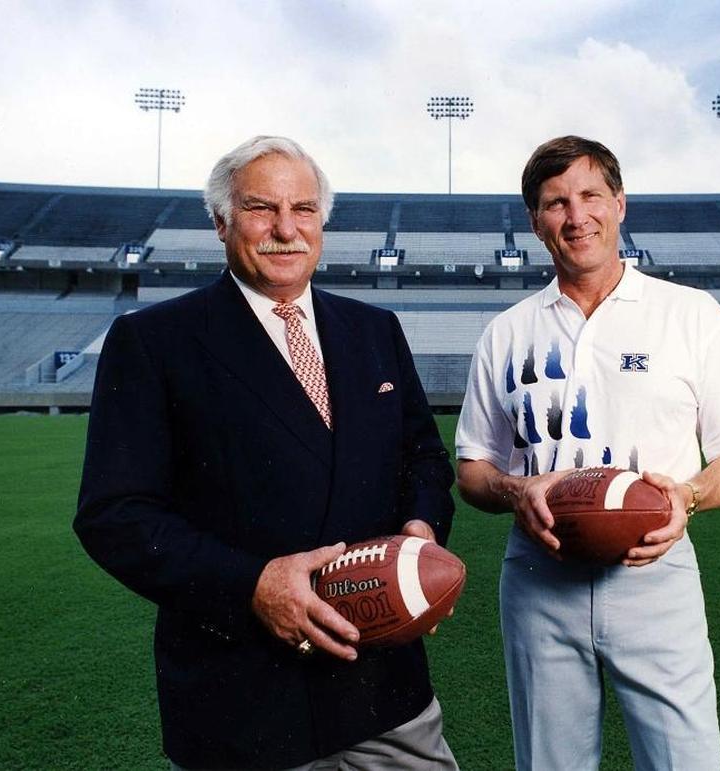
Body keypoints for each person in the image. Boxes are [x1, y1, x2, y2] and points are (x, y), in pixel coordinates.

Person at [75, 135, 459, 770]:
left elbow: (422, 457)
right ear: (222, 222)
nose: (286, 229)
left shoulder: (375, 329)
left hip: (384, 685)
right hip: (242, 702)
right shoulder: (154, 340)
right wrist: (252, 585)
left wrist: (420, 530)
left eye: (303, 209)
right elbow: (114, 515)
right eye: (262, 209)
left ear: (323, 224)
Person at [455, 135, 720, 770]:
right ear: (535, 222)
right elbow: (472, 468)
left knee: (686, 762)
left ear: (620, 203)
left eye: (591, 195)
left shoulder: (691, 315)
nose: (576, 216)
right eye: (554, 203)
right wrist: (518, 491)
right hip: (541, 579)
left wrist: (689, 494)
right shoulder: (506, 332)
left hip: (655, 572)